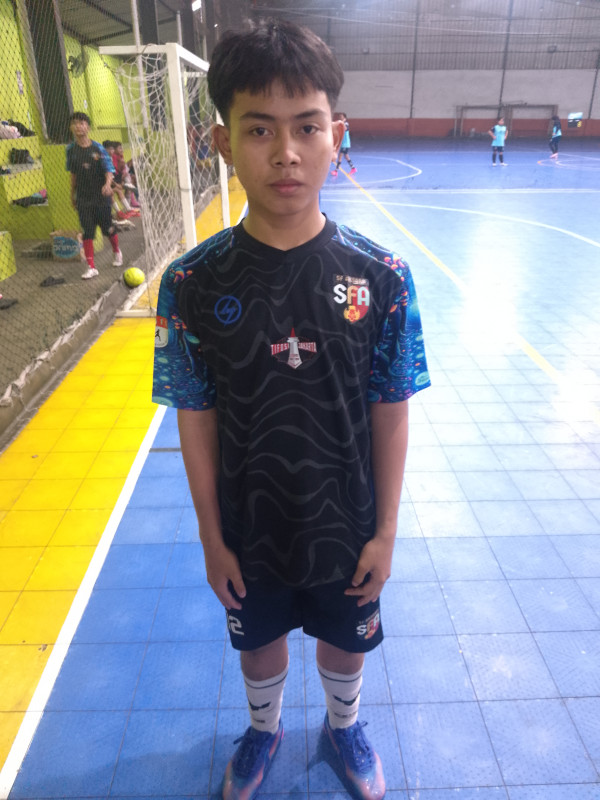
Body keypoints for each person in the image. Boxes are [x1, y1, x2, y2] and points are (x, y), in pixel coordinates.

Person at [152, 18, 430, 800]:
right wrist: (211, 536)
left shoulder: (382, 276)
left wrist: (385, 529)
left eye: (307, 127)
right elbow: (195, 415)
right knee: (259, 642)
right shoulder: (191, 284)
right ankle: (264, 728)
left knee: (347, 644)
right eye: (259, 129)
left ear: (336, 134)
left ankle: (344, 727)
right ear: (221, 141)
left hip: (348, 518)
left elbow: (391, 409)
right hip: (251, 523)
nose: (286, 153)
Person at [67, 114, 122, 279]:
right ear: (71, 128)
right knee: (87, 232)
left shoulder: (98, 148)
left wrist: (107, 184)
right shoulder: (70, 150)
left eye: (81, 123)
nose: (78, 126)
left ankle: (117, 251)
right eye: (75, 123)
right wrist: (72, 195)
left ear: (88, 127)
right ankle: (91, 267)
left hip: (101, 196)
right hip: (83, 198)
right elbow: (73, 174)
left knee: (108, 228)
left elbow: (109, 169)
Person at [331, 112, 356, 176]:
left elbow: (345, 128)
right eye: (340, 117)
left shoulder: (346, 124)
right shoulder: (340, 124)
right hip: (343, 144)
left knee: (340, 157)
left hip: (346, 144)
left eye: (342, 117)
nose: (340, 118)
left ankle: (336, 171)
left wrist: (340, 122)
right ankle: (353, 168)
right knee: (346, 156)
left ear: (345, 118)